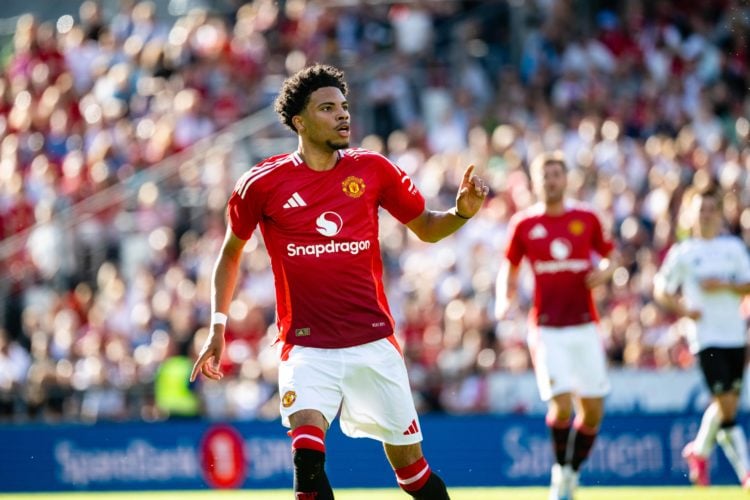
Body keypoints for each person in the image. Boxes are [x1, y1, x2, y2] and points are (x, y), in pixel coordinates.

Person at [190, 63, 489, 500]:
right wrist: (217, 325)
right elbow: (229, 253)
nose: (343, 115)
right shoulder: (261, 184)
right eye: (328, 108)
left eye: (344, 107)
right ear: (300, 121)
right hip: (306, 348)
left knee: (415, 478)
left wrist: (461, 212)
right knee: (307, 463)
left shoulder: (372, 169)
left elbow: (425, 226)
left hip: (373, 343)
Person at [494, 151, 617, 500]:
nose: (550, 181)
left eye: (556, 174)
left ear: (566, 179)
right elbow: (510, 267)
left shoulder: (586, 217)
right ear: (535, 182)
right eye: (544, 175)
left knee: (593, 411)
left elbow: (610, 255)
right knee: (561, 403)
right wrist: (504, 298)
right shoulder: (524, 224)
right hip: (547, 327)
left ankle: (569, 471)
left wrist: (606, 270)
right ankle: (561, 474)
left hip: (585, 325)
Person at [653, 184, 750, 489]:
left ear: (720, 214)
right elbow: (661, 289)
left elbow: (748, 284)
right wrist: (683, 309)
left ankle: (699, 451)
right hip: (705, 336)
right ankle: (746, 474)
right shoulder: (684, 253)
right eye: (701, 210)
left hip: (734, 334)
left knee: (728, 405)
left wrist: (721, 285)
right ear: (692, 215)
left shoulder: (732, 248)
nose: (707, 215)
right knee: (725, 406)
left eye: (711, 209)